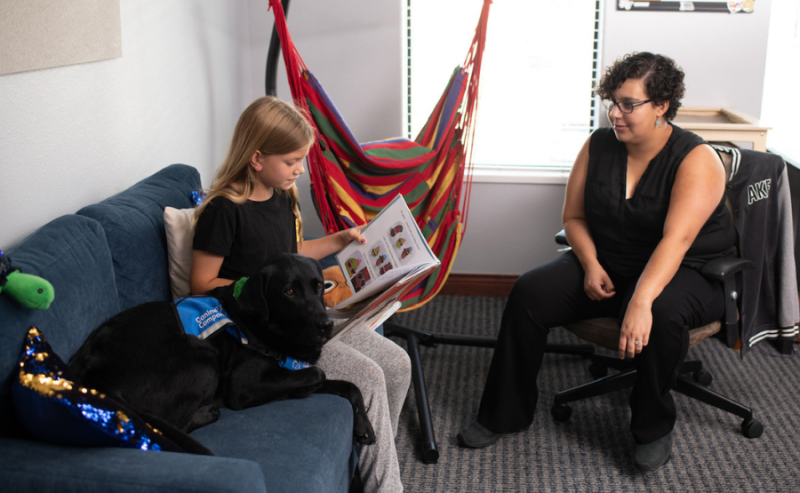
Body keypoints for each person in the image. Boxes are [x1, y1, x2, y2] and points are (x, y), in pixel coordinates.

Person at [457, 52, 736, 471]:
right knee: (529, 292)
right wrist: (589, 263)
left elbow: (675, 242)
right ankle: (503, 413)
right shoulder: (599, 144)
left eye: (628, 104)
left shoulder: (697, 160)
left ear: (661, 106)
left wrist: (640, 301)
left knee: (659, 311)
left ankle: (653, 426)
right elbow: (572, 217)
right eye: (612, 102)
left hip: (687, 271)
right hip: (609, 263)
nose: (615, 114)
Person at [190, 96, 411, 493]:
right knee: (370, 377)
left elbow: (294, 254)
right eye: (292, 160)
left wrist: (338, 240)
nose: (300, 169)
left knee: (397, 363)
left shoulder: (282, 196)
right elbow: (201, 284)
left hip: (304, 315)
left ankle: (373, 459)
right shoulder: (225, 210)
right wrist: (259, 288)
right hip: (268, 329)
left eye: (302, 159)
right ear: (257, 158)